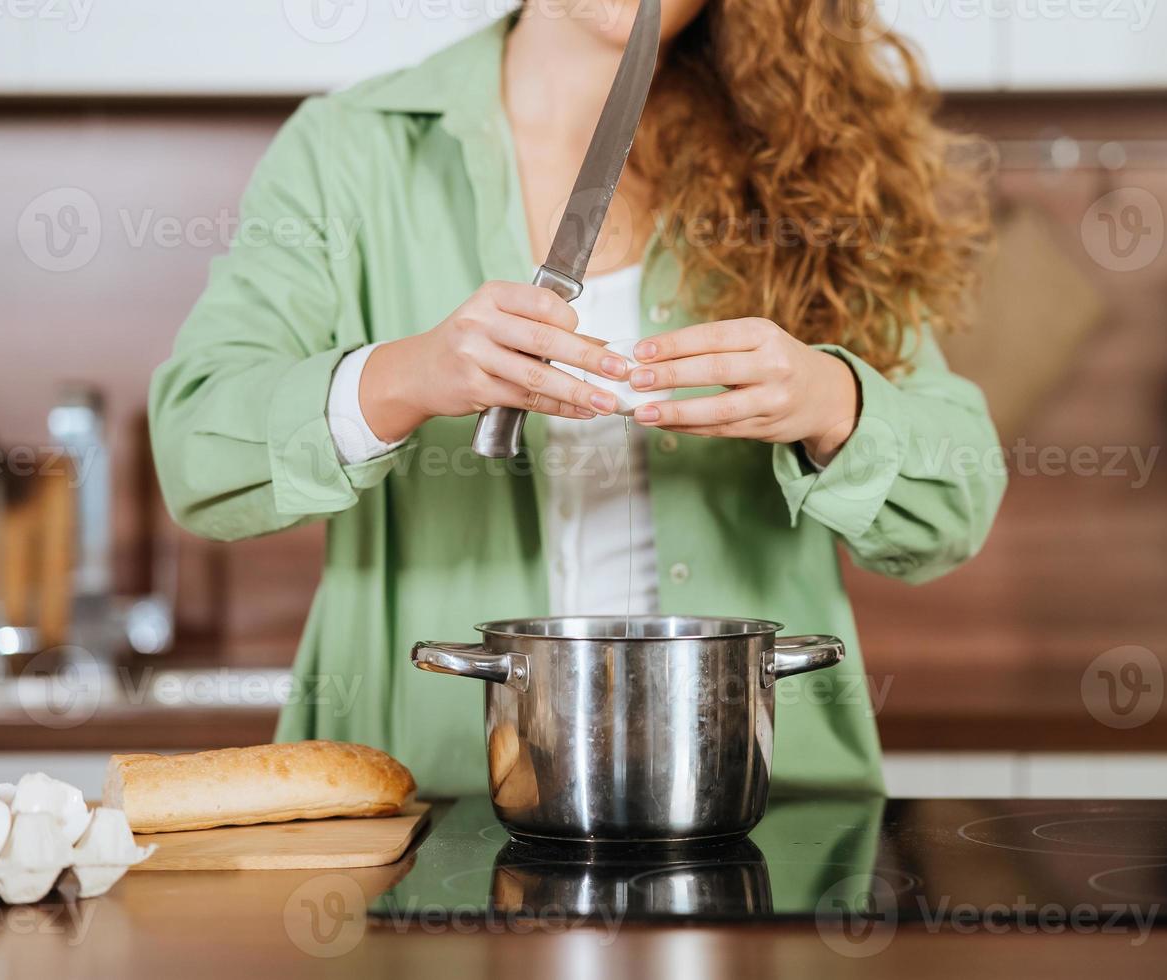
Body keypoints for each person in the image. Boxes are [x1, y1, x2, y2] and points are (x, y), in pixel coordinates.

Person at [149, 0, 1006, 796]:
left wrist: (835, 405)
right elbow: (197, 450)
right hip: (430, 798)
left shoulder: (811, 160)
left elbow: (954, 504)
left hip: (761, 807)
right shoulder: (347, 151)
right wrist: (408, 376)